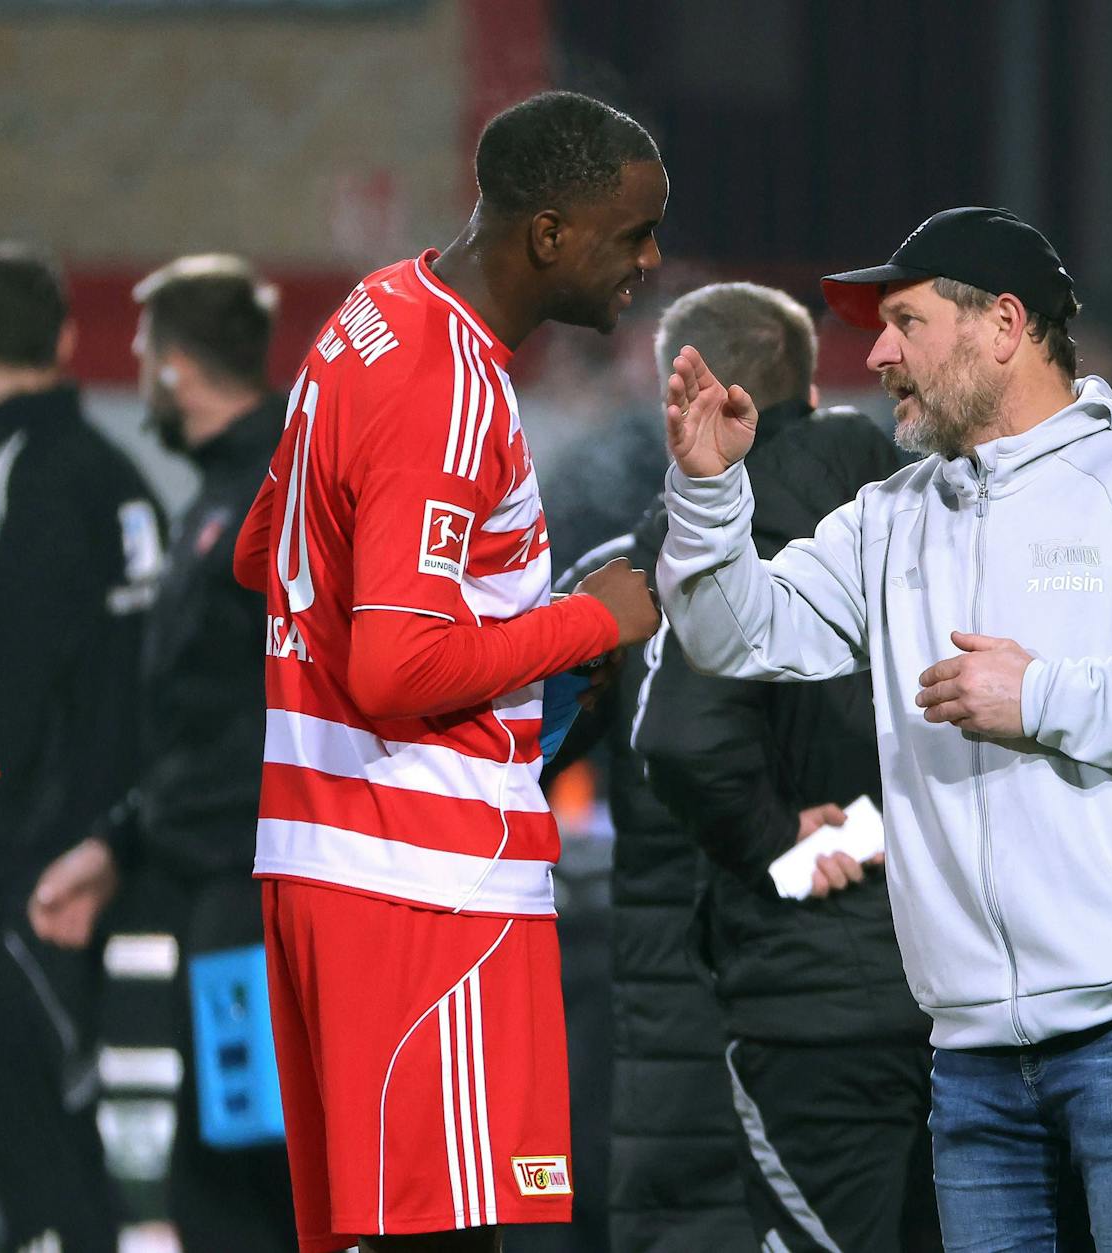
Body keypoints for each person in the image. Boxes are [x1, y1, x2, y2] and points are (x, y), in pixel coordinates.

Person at [655, 206, 1112, 1250]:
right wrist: (705, 494)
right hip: (966, 1051)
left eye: (904, 323)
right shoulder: (890, 512)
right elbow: (737, 635)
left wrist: (1043, 696)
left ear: (1003, 325)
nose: (875, 353)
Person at [231, 91, 666, 1253]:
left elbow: (256, 550)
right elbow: (393, 664)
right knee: (449, 1243)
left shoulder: (371, 313)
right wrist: (587, 621)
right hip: (429, 887)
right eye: (632, 233)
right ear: (550, 234)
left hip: (327, 859)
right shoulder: (448, 387)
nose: (650, 258)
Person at [630, 282, 937, 1253]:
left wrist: (773, 840)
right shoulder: (918, 502)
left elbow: (682, 735)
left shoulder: (713, 530)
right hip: (955, 974)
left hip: (813, 989)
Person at [26, 254, 299, 1250]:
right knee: (216, 1144)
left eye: (144, 353)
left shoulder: (275, 494)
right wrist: (122, 842)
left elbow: (264, 712)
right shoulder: (223, 492)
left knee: (255, 1150)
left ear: (175, 365)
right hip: (207, 875)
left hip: (253, 882)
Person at [0, 241, 163, 1253]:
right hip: (110, 847)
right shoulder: (118, 475)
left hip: (20, 868)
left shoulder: (18, 475)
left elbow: (0, 699)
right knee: (66, 1129)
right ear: (59, 336)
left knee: (36, 1150)